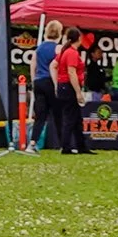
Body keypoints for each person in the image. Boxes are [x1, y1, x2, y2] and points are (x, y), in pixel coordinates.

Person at [52, 27, 92, 153]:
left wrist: (57, 82)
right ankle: (66, 146)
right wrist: (78, 92)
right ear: (79, 38)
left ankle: (81, 146)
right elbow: (71, 72)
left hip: (63, 85)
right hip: (69, 87)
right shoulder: (72, 53)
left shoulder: (64, 51)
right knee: (70, 118)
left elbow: (53, 65)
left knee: (75, 118)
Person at [31, 21, 62, 152]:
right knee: (58, 114)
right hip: (51, 81)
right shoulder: (58, 48)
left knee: (40, 116)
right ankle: (63, 143)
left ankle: (32, 142)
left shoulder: (38, 49)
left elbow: (33, 66)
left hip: (38, 82)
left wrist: (34, 82)